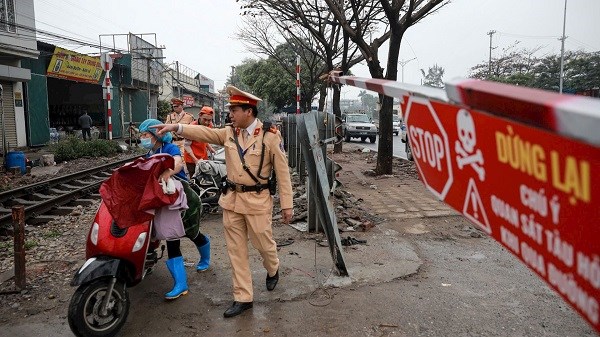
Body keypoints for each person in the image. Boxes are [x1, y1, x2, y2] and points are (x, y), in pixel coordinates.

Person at [151, 85, 294, 318]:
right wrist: (176, 126)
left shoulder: (270, 135)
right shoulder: (229, 133)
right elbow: (203, 134)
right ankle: (243, 297)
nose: (230, 114)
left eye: (234, 109)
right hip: (232, 201)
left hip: (258, 201)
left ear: (248, 111)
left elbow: (283, 171)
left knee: (263, 245)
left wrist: (287, 204)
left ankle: (273, 267)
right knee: (236, 252)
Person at [138, 119, 212, 300]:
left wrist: (169, 171)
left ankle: (188, 277)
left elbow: (178, 163)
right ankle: (177, 280)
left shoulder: (170, 149)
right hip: (162, 200)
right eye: (142, 135)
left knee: (190, 233)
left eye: (145, 135)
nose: (143, 138)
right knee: (163, 234)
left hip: (180, 199)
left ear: (157, 136)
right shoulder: (150, 153)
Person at [184, 106, 216, 178]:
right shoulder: (191, 127)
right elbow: (186, 145)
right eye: (205, 119)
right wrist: (195, 160)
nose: (207, 122)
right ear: (200, 116)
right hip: (191, 159)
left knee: (205, 178)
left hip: (203, 156)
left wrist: (210, 147)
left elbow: (205, 139)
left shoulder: (209, 125)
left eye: (209, 120)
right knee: (194, 179)